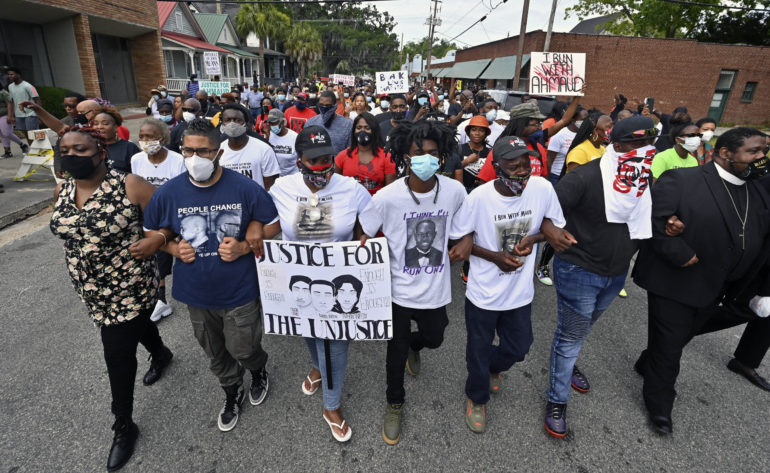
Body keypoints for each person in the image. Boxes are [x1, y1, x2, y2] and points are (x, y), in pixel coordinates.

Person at [142, 118, 278, 433]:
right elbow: (152, 230)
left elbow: (272, 224)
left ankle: (258, 370)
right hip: (196, 293)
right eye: (188, 150)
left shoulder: (244, 187)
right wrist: (174, 249)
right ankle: (232, 392)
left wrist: (245, 246)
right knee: (215, 353)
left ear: (217, 153)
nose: (194, 158)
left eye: (202, 151)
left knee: (244, 347)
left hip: (240, 289)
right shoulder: (169, 193)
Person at [51, 125, 174, 471]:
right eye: (66, 150)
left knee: (117, 353)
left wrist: (159, 239)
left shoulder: (128, 184)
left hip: (130, 285)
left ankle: (123, 424)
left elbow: (170, 217)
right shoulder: (63, 189)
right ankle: (161, 353)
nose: (72, 156)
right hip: (90, 288)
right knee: (133, 330)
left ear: (101, 152)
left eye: (80, 149)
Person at [632, 127, 770, 435]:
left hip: (722, 287)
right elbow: (651, 219)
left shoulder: (758, 189)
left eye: (764, 151)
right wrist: (679, 251)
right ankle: (660, 405)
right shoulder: (683, 180)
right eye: (753, 152)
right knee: (670, 347)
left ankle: (647, 362)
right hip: (675, 281)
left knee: (678, 337)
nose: (761, 158)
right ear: (725, 153)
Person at [542, 116, 658, 438]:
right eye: (637, 143)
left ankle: (567, 364)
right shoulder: (585, 177)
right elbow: (542, 208)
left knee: (579, 331)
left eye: (649, 142)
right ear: (616, 145)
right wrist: (551, 232)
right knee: (569, 338)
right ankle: (557, 400)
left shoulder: (643, 180)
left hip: (616, 275)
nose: (645, 149)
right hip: (580, 271)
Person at [358, 119, 470, 445]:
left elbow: (465, 228)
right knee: (395, 349)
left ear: (443, 156)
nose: (425, 159)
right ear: (405, 157)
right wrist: (360, 247)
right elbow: (363, 230)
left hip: (436, 291)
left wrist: (466, 242)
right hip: (398, 292)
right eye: (418, 153)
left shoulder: (455, 191)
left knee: (435, 338)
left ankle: (416, 348)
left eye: (433, 154)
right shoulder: (387, 197)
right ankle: (395, 402)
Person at [450, 136, 568, 433]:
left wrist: (535, 238)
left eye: (526, 162)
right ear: (496, 165)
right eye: (512, 163)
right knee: (477, 349)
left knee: (519, 348)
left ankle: (492, 367)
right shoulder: (478, 198)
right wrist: (495, 257)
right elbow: (462, 240)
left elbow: (550, 224)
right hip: (484, 293)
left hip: (520, 293)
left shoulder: (542, 187)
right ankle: (476, 398)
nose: (521, 169)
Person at [263, 125, 371, 443]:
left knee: (336, 343)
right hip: (298, 279)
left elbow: (372, 221)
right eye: (314, 160)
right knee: (309, 332)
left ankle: (331, 406)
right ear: (299, 160)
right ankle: (317, 366)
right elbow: (268, 226)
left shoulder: (351, 188)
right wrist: (253, 238)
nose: (322, 166)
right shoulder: (281, 188)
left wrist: (365, 237)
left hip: (339, 281)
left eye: (327, 159)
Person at [130, 118, 186, 322]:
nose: (145, 141)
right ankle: (158, 300)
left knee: (170, 254)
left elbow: (182, 191)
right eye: (142, 137)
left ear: (162, 138)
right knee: (151, 257)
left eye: (150, 137)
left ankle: (170, 297)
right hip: (148, 217)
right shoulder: (136, 160)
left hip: (171, 216)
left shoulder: (178, 160)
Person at [219, 103, 280, 190]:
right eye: (228, 120)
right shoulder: (217, 150)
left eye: (237, 120)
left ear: (246, 124)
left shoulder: (264, 149)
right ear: (222, 124)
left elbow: (269, 187)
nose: (232, 124)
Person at [334, 112, 395, 194]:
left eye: (367, 128)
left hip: (376, 205)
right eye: (359, 128)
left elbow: (390, 192)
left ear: (374, 131)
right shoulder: (342, 156)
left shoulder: (386, 157)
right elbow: (335, 186)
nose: (362, 131)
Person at [546, 108, 587, 184]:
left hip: (574, 177)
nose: (585, 122)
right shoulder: (560, 135)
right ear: (573, 120)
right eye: (582, 120)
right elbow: (549, 160)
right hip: (557, 178)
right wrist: (547, 181)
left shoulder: (585, 135)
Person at [305, 90, 353, 155]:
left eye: (328, 106)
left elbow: (350, 152)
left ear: (335, 106)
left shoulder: (348, 125)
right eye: (321, 105)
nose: (324, 108)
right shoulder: (311, 123)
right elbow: (305, 148)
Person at [6, 67, 41, 145]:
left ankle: (41, 148)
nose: (10, 76)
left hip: (31, 114)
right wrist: (10, 115)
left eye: (12, 74)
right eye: (8, 74)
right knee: (26, 133)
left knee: (33, 133)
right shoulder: (10, 86)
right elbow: (10, 102)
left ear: (18, 75)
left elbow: (37, 100)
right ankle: (33, 149)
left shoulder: (28, 86)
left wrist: (40, 116)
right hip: (19, 114)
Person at [458, 115, 492, 192]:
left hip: (482, 192)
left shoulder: (490, 152)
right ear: (468, 132)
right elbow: (451, 170)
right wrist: (466, 161)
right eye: (473, 130)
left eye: (481, 130)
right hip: (462, 190)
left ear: (486, 134)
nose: (477, 133)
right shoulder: (459, 149)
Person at [265, 108, 299, 176]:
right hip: (274, 177)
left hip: (291, 177)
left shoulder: (295, 137)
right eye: (270, 123)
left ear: (282, 122)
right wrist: (266, 139)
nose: (272, 125)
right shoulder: (268, 135)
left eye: (274, 123)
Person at [0, 84, 25, 157]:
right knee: (3, 135)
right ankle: (8, 152)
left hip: (4, 115)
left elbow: (10, 103)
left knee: (7, 133)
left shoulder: (3, 92)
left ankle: (22, 145)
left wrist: (10, 116)